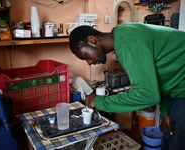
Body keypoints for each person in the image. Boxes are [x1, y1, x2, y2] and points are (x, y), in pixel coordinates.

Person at [69, 22, 185, 150]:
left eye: (86, 57)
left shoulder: (126, 41)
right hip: (176, 87)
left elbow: (148, 94)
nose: (89, 62)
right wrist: (165, 111)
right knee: (169, 135)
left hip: (182, 87)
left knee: (178, 142)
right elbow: (158, 76)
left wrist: (100, 102)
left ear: (91, 40)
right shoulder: (122, 35)